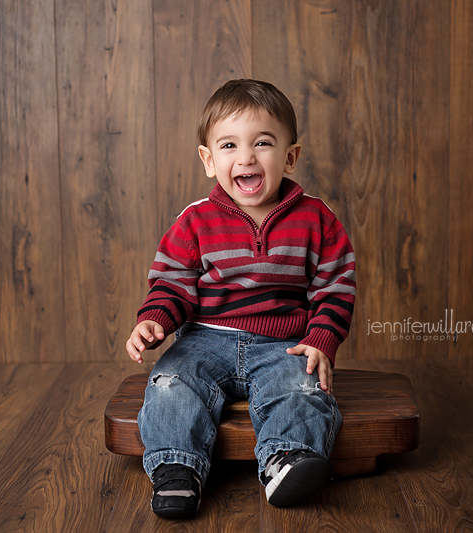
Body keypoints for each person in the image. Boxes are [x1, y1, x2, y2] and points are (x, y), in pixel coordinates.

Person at [126, 79, 356, 519]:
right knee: (171, 384)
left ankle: (287, 460)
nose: (247, 157)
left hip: (283, 341)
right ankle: (176, 468)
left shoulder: (316, 218)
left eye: (263, 143)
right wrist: (155, 319)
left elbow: (335, 286)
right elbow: (173, 283)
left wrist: (322, 339)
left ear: (290, 156)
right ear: (209, 160)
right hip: (204, 339)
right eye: (229, 145)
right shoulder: (194, 222)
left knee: (302, 388)